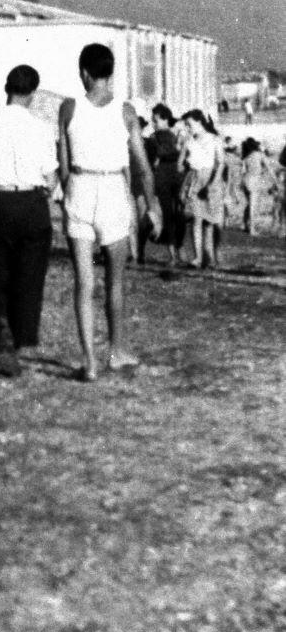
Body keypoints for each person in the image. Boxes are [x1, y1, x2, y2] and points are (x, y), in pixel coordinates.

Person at [58, 43, 161, 382]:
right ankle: (116, 352)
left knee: (83, 282)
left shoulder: (69, 108)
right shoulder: (126, 111)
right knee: (115, 281)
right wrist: (152, 205)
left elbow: (63, 164)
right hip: (113, 188)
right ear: (109, 73)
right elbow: (143, 167)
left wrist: (70, 193)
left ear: (84, 73)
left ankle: (89, 361)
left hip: (80, 185)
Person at [0, 64, 58, 377]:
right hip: (31, 203)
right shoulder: (42, 128)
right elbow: (51, 178)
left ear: (7, 89)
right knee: (29, 276)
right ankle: (17, 342)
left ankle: (2, 320)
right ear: (33, 94)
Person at [178, 110, 224, 269]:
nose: (187, 128)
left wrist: (212, 183)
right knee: (196, 219)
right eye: (186, 125)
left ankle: (210, 257)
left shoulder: (214, 139)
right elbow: (180, 165)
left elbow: (221, 163)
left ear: (199, 122)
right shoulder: (189, 141)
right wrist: (186, 168)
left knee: (210, 222)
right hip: (194, 179)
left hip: (211, 180)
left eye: (189, 124)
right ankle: (198, 258)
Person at [143, 103, 184, 265]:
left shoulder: (173, 135)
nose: (153, 123)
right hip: (164, 177)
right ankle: (174, 254)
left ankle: (178, 251)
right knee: (169, 215)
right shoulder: (157, 138)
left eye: (156, 120)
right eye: (153, 120)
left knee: (178, 215)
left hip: (174, 176)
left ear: (166, 119)